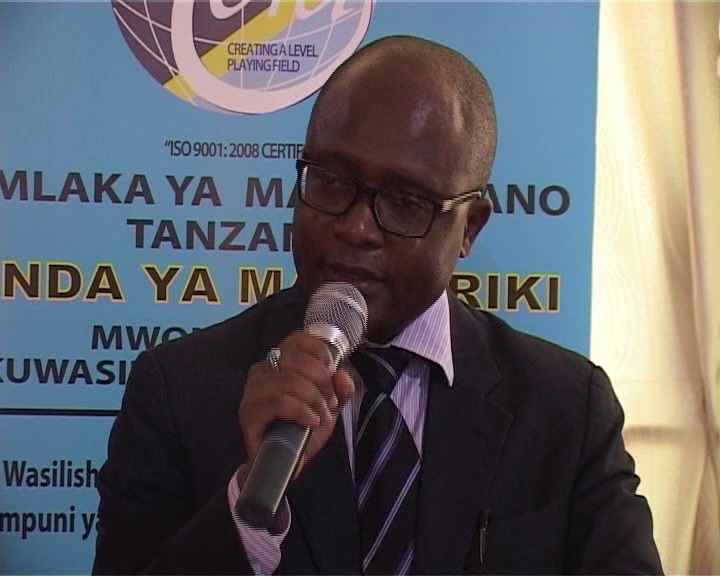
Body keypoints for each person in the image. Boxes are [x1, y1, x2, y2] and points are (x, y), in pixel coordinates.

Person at [92, 35, 663, 575]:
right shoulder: (178, 390)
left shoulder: (566, 408)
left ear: (470, 227)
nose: (357, 227)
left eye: (406, 202)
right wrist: (249, 509)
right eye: (331, 181)